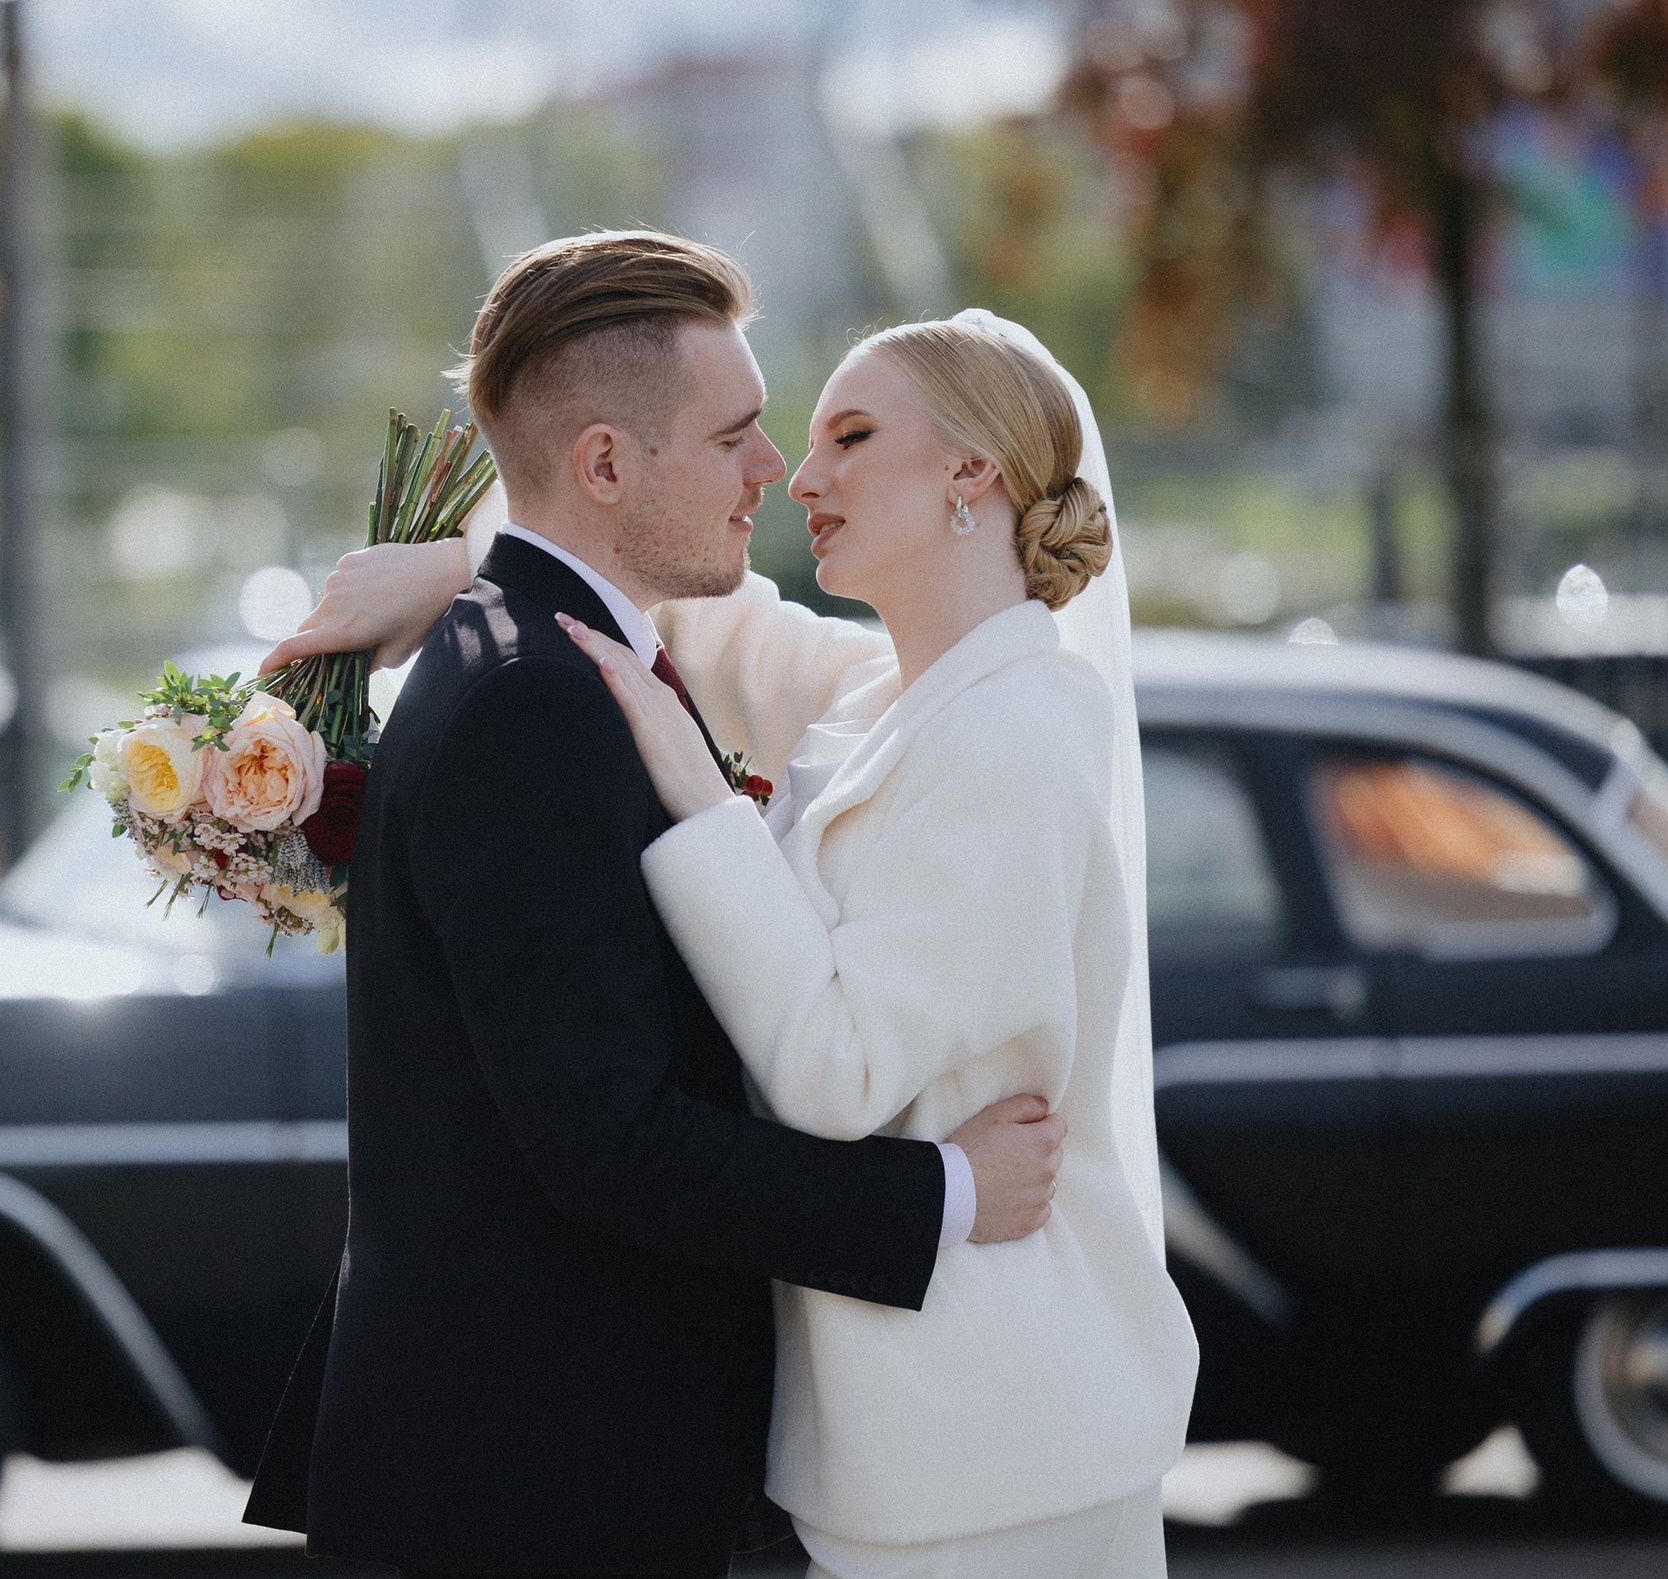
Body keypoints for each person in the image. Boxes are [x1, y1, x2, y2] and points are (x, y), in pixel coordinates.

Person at [269, 303, 1200, 1577]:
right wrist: (460, 568)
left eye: (847, 437)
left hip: (996, 1419)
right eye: (772, 438)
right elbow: (667, 593)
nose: (793, 477)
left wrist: (708, 807)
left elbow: (838, 1073)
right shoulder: (885, 699)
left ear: (971, 471)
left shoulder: (1018, 734)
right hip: (889, 1423)